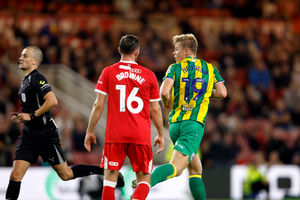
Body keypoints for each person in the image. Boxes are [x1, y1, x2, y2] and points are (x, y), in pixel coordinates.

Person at [5, 46, 124, 200]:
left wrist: (32, 115)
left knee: (66, 174)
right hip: (28, 135)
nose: (20, 58)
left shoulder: (38, 78)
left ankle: (105, 171)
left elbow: (52, 101)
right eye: (21, 55)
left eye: (25, 56)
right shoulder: (25, 81)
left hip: (44, 135)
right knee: (15, 175)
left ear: (35, 61)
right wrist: (23, 117)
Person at [84, 34, 165, 200]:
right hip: (140, 134)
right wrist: (161, 133)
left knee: (109, 179)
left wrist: (90, 131)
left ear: (119, 50)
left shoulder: (108, 72)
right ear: (137, 52)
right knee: (144, 179)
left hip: (116, 134)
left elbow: (98, 105)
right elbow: (155, 109)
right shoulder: (148, 75)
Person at [150, 33, 227, 200]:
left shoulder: (174, 68)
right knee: (176, 169)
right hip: (193, 125)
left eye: (176, 49)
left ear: (186, 51)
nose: (173, 53)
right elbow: (222, 92)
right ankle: (144, 182)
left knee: (195, 169)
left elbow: (163, 91)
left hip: (175, 124)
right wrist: (205, 93)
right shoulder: (210, 68)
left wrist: (166, 102)